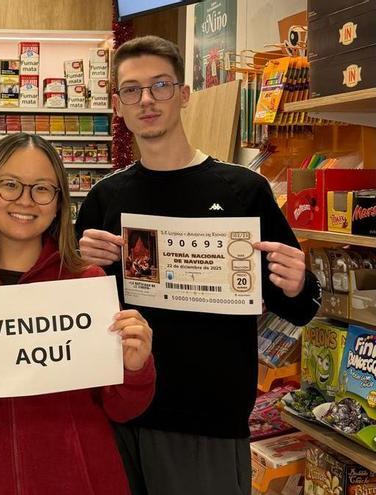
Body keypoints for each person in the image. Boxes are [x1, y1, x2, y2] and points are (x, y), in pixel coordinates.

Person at [74, 36, 321, 495]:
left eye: (160, 85)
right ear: (118, 104)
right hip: (118, 413)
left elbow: (302, 308)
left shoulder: (243, 191)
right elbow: (79, 307)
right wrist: (80, 265)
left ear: (184, 94)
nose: (147, 100)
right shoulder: (105, 199)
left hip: (207, 423)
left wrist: (298, 282)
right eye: (132, 90)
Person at [0, 133, 156, 494]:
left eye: (42, 189)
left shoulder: (84, 281)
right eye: (10, 185)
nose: (25, 200)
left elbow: (123, 408)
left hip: (83, 478)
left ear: (59, 203)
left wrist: (135, 367)